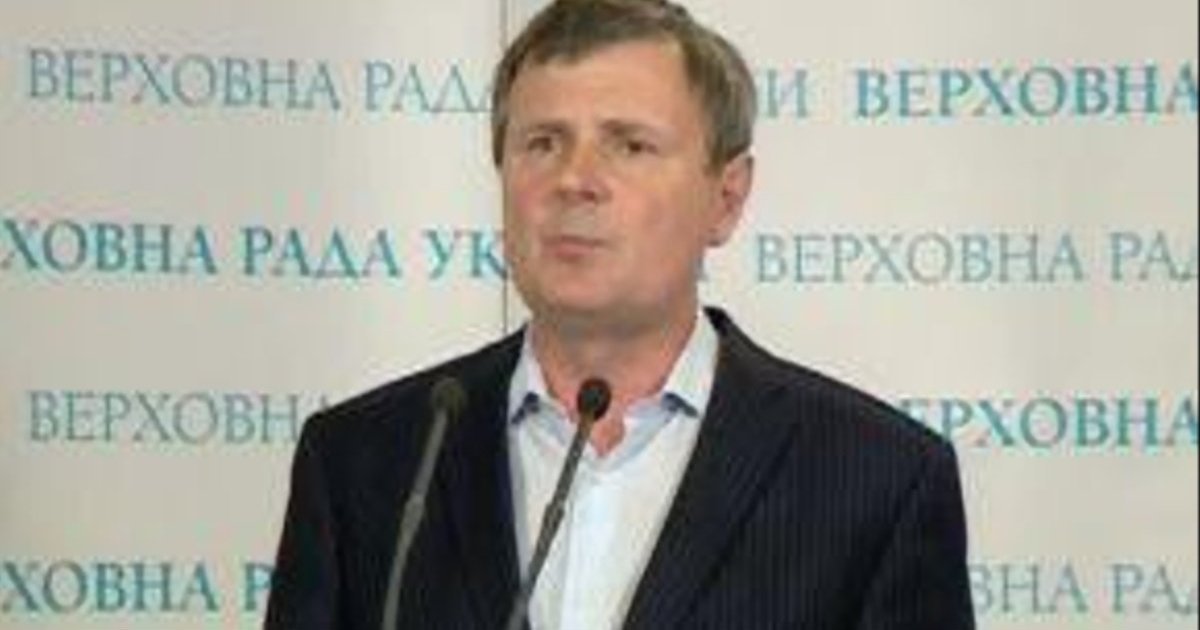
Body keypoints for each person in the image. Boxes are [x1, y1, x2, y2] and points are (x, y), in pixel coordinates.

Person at [265, 1, 976, 628]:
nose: (574, 180)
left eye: (630, 145)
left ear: (727, 198)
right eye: (543, 143)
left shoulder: (878, 481)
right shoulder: (367, 461)